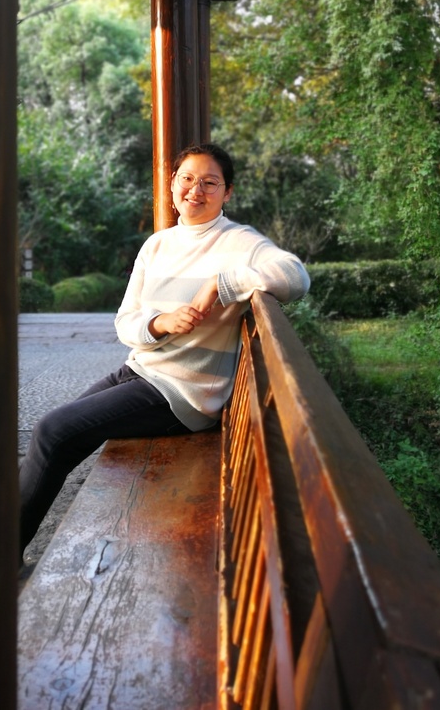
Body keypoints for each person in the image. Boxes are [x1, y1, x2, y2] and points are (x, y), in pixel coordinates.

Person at [19, 143, 310, 559]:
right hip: (141, 371)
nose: (196, 190)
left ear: (227, 192)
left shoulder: (239, 242)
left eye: (210, 182)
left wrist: (218, 285)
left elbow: (295, 277)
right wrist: (161, 323)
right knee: (56, 439)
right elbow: (126, 322)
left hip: (182, 394)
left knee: (52, 431)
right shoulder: (157, 245)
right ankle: (1, 537)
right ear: (172, 184)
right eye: (187, 178)